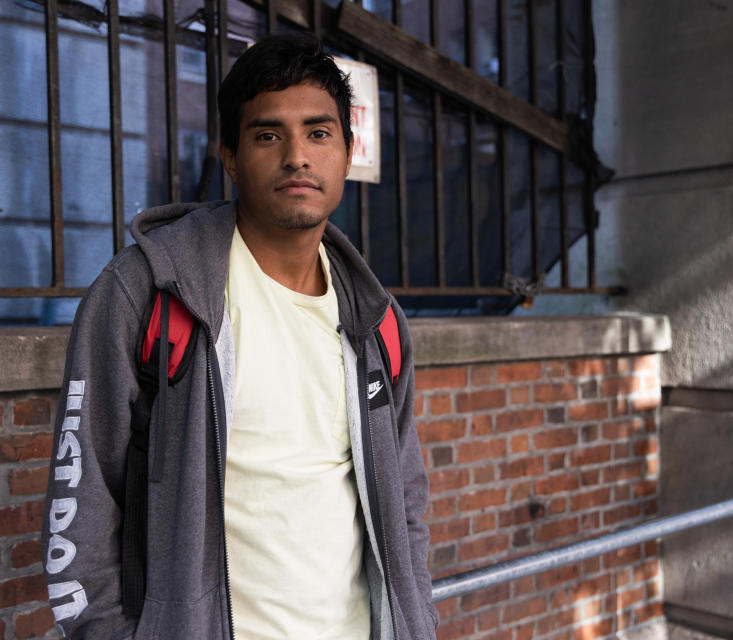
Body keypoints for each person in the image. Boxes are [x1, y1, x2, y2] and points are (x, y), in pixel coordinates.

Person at [41, 33, 437, 640]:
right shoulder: (147, 295)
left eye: (318, 132)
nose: (297, 156)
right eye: (268, 134)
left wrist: (417, 617)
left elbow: (404, 498)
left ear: (348, 150)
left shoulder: (376, 320)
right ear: (229, 155)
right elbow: (81, 499)